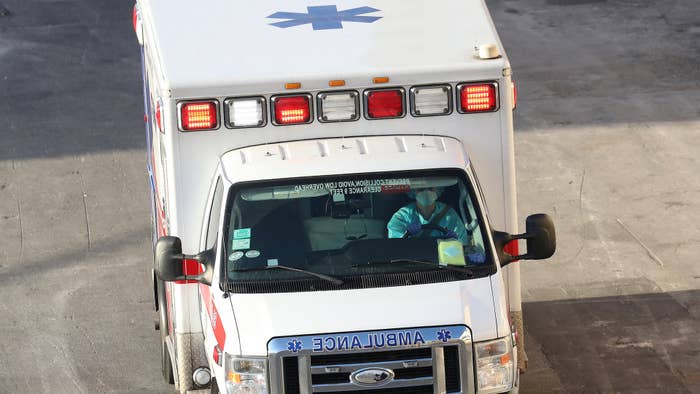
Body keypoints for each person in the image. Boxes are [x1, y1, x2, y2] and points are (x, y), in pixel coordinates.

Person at [387, 187, 469, 244]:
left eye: (430, 188)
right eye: (420, 189)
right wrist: (407, 237)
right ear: (413, 192)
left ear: (438, 190)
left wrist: (455, 240)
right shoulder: (401, 217)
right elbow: (397, 247)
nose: (426, 192)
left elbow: (461, 244)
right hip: (411, 265)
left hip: (444, 265)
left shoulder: (449, 215)